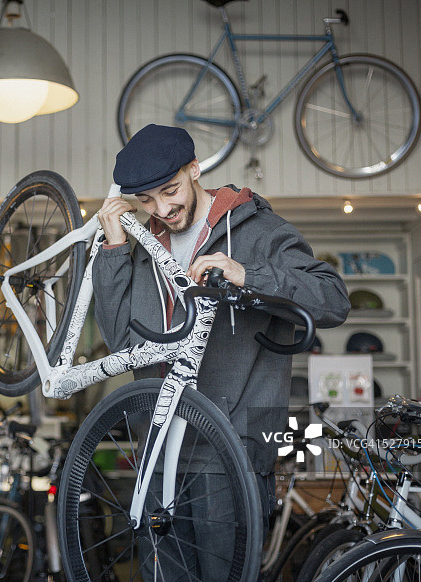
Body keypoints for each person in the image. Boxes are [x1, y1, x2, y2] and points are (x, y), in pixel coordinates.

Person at [93, 124, 350, 578]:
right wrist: (115, 249)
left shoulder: (258, 231)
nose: (162, 209)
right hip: (160, 450)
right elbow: (119, 341)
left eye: (169, 190)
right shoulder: (143, 249)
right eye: (146, 201)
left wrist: (246, 274)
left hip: (233, 448)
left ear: (195, 169)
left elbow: (332, 300)